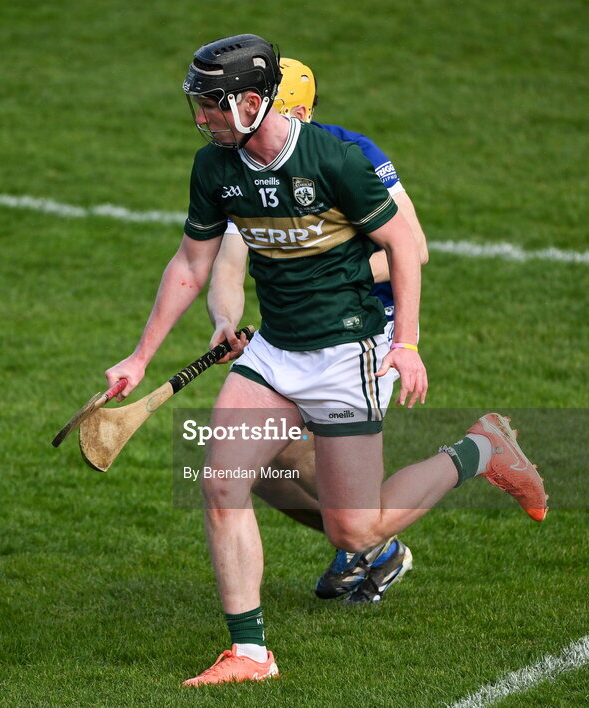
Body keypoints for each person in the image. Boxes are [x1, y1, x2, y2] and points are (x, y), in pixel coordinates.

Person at [104, 34, 547, 686]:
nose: (200, 118)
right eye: (196, 105)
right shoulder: (216, 168)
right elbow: (196, 261)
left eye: (211, 106)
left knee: (353, 529)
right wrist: (143, 357)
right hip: (275, 351)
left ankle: (482, 449)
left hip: (347, 354)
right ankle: (250, 654)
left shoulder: (336, 159)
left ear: (253, 102)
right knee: (223, 481)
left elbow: (403, 243)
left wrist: (409, 343)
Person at [207, 56, 429, 607]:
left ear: (296, 111)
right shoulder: (247, 163)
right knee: (245, 465)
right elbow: (229, 264)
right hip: (290, 337)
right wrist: (225, 320)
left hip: (359, 335)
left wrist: (321, 277)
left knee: (344, 507)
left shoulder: (349, 157)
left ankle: (368, 536)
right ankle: (368, 546)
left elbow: (412, 249)